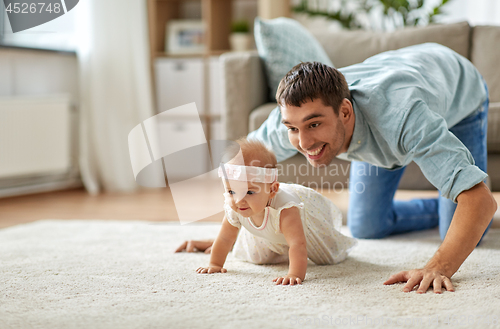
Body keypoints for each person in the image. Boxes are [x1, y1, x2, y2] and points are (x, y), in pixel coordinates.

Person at [178, 43, 497, 293]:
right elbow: (242, 172)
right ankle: (444, 205)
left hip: (458, 89)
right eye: (293, 128)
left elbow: (482, 201)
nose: (303, 142)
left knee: (464, 229)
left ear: (344, 112)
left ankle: (449, 209)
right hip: (391, 96)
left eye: (314, 124)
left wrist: (439, 266)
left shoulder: (405, 119)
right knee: (366, 226)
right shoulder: (289, 123)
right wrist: (235, 229)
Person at [193, 138, 356, 285]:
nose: (238, 200)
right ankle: (274, 245)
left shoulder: (286, 208)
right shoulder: (235, 206)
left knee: (328, 257)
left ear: (272, 190)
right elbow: (225, 237)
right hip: (265, 221)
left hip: (305, 226)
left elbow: (297, 244)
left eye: (249, 192)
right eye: (231, 191)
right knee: (256, 257)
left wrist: (294, 274)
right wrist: (215, 264)